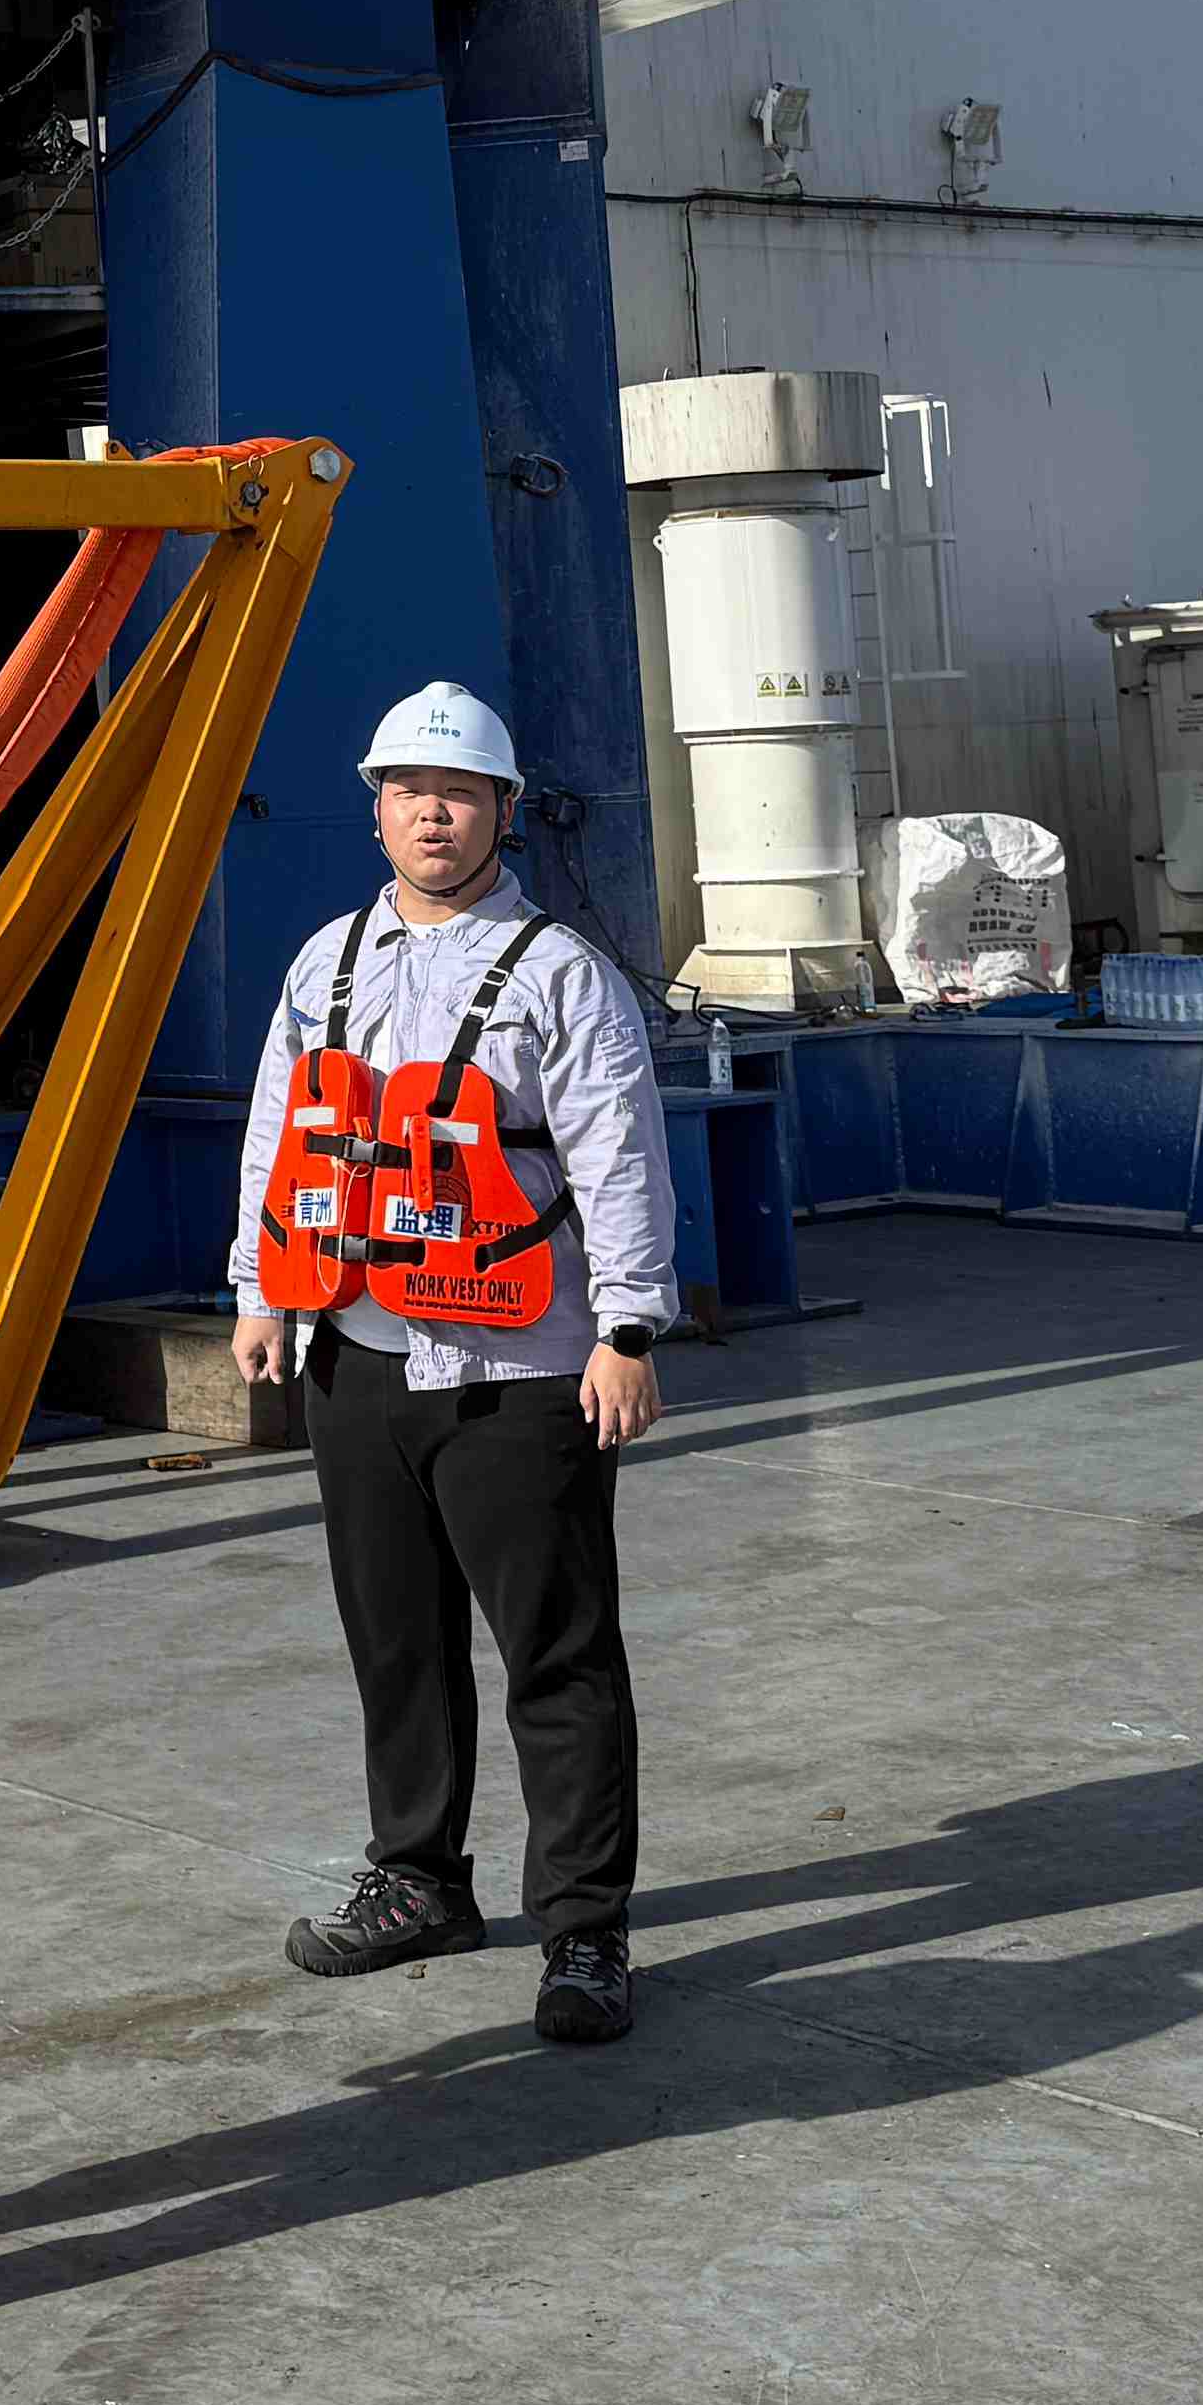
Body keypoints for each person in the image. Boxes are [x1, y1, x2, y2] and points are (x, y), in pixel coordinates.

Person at [224, 679, 677, 2045]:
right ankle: (419, 1880)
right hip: (354, 1355)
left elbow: (618, 1148)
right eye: (410, 792)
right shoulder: (327, 962)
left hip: (521, 1370)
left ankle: (584, 1928)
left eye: (460, 793)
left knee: (557, 1655)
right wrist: (258, 1288)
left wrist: (628, 1328)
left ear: (503, 811)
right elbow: (280, 1131)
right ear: (377, 812)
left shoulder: (560, 972)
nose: (433, 814)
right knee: (396, 1644)